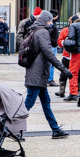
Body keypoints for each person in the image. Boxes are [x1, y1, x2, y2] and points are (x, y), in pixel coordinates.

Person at [23, 11, 73, 139]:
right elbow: (49, 53)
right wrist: (64, 69)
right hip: (37, 74)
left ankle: (55, 129)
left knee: (46, 102)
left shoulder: (35, 30)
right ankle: (9, 127)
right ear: (46, 20)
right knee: (28, 103)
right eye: (50, 21)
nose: (51, 23)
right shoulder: (43, 32)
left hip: (37, 73)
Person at [63, 14, 80, 101]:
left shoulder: (73, 26)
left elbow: (71, 38)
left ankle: (73, 93)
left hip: (77, 53)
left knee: (73, 72)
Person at [55, 16, 75, 98]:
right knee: (63, 73)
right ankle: (62, 90)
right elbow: (59, 42)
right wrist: (65, 43)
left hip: (74, 55)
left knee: (75, 73)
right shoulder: (65, 30)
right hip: (66, 55)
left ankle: (75, 90)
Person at [47, 9, 60, 87]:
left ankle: (50, 79)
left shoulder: (51, 23)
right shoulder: (51, 24)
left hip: (53, 45)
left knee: (51, 64)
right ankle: (49, 79)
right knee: (50, 63)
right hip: (52, 46)